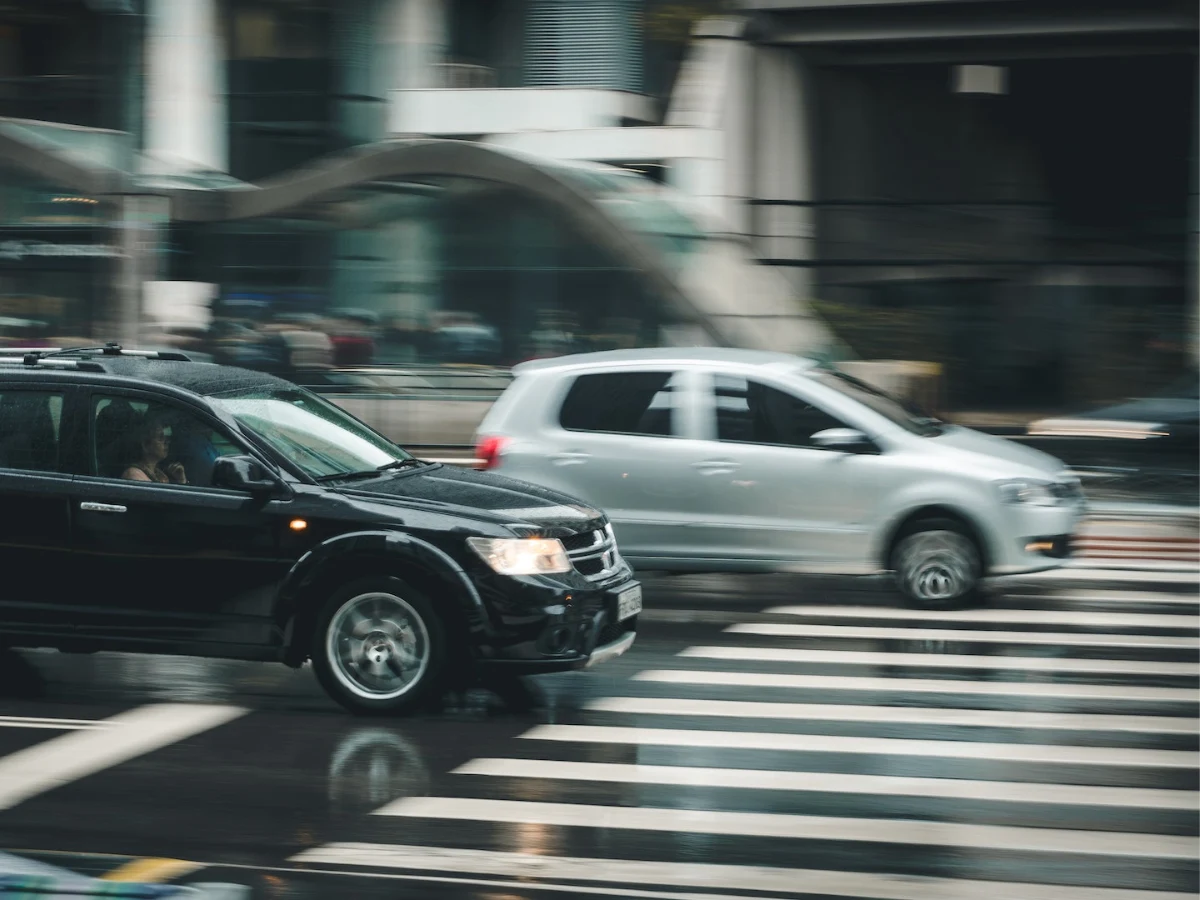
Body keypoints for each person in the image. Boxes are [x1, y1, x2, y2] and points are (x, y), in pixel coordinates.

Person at [122, 415, 187, 484]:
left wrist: (181, 481)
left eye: (167, 438)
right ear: (145, 445)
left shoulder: (160, 475)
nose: (166, 442)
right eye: (160, 438)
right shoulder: (135, 475)